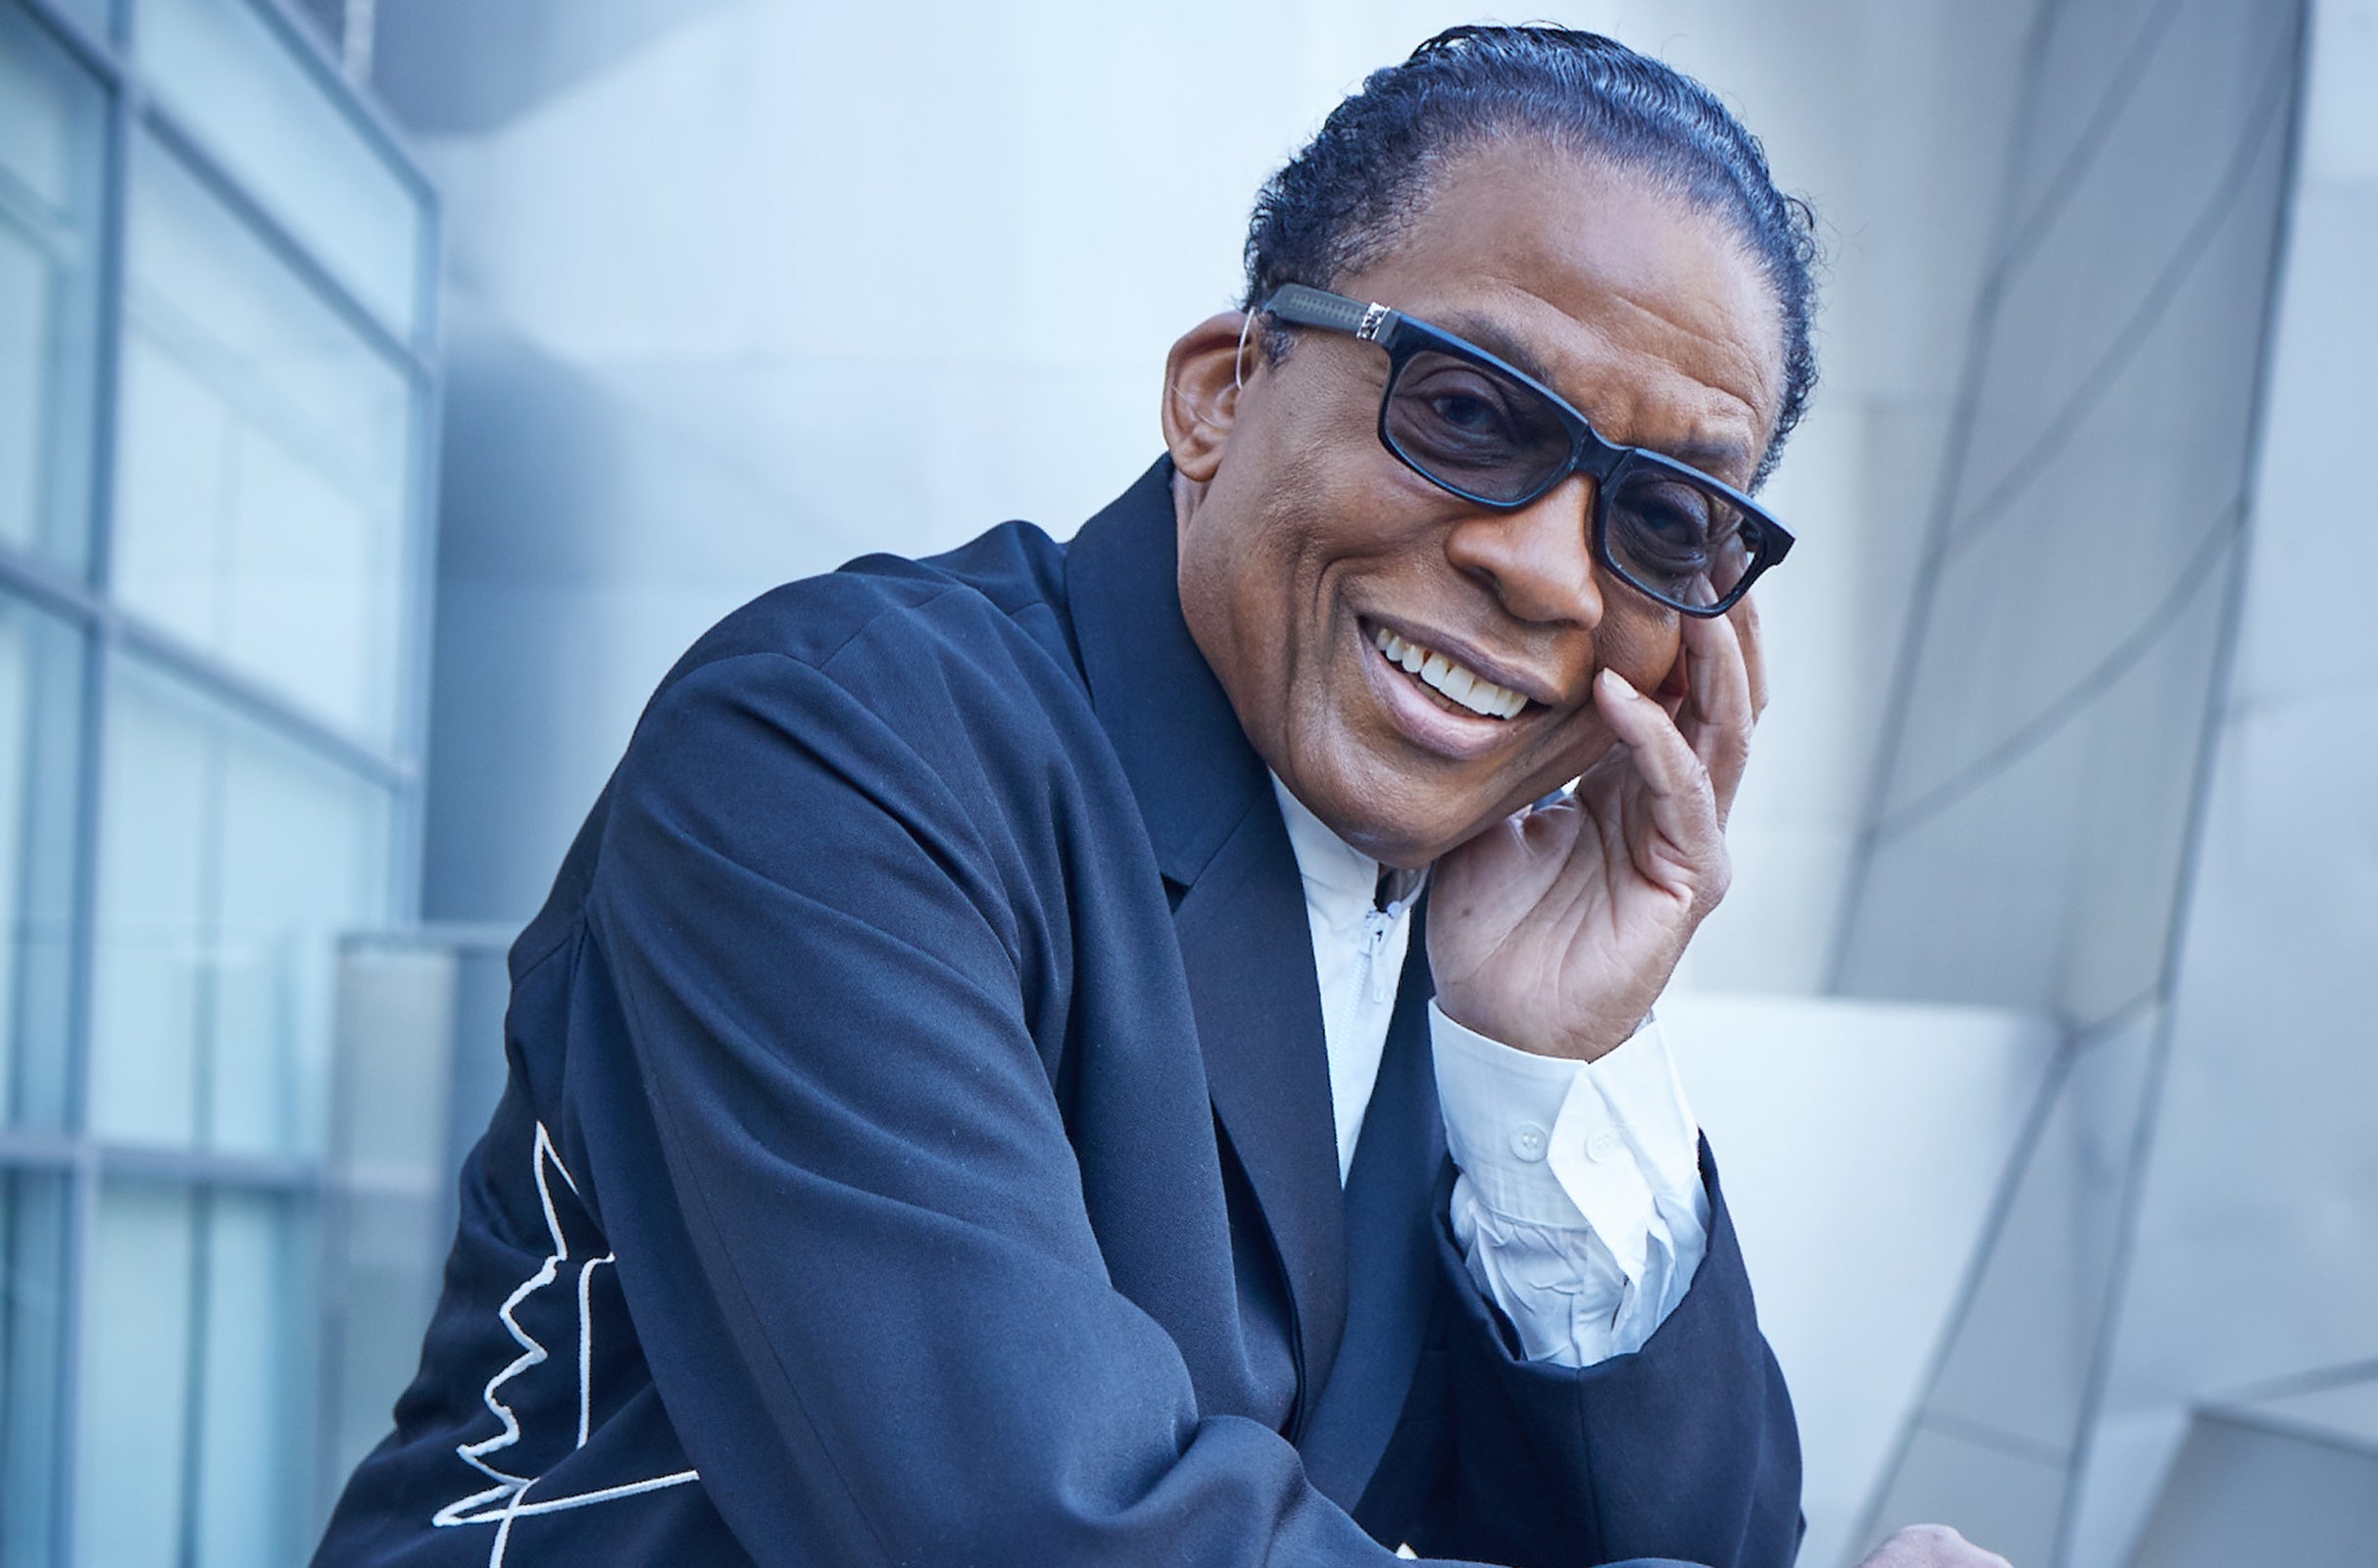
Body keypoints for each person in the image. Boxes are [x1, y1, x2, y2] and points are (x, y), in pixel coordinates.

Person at [317, 26, 2008, 1568]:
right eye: (1470, 413)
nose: (1548, 573)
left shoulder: (1480, 922)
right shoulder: (843, 748)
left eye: (1658, 522)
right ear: (1219, 394)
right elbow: (1038, 1532)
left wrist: (1553, 1072)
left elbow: (1697, 1542)